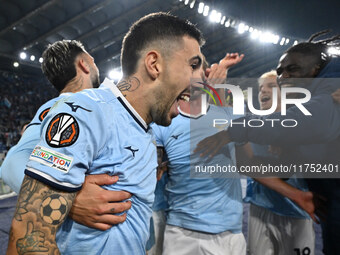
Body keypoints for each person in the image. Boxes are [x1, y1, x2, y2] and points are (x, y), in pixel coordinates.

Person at [7, 12, 204, 255]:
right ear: (154, 64)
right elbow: (30, 234)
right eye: (193, 65)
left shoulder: (146, 129)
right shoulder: (86, 111)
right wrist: (67, 199)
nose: (199, 78)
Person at [195, 31, 340, 254]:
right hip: (275, 208)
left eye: (271, 86)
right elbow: (256, 163)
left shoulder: (321, 102)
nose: (282, 79)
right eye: (279, 74)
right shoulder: (268, 123)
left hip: (301, 213)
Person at [1, 40, 131, 230]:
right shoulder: (58, 107)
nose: (96, 66)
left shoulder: (106, 104)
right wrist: (65, 202)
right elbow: (10, 164)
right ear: (83, 64)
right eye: (92, 61)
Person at [245, 70, 315, 255]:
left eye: (271, 86)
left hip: (297, 212)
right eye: (260, 88)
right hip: (260, 209)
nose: (263, 92)